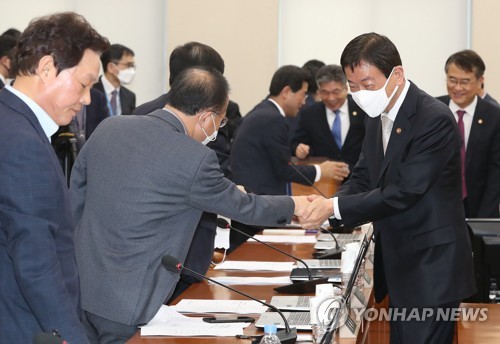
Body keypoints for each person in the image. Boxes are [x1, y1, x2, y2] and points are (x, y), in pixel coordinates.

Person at [70, 66, 317, 343]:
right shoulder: (195, 158)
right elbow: (245, 207)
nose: (217, 130)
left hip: (81, 288)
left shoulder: (109, 127)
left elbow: (75, 198)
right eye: (220, 122)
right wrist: (295, 205)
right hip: (130, 303)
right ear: (207, 117)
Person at [301, 33, 475, 344]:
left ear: (397, 74)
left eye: (367, 85)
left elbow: (405, 191)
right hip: (400, 262)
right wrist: (330, 204)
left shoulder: (432, 118)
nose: (360, 94)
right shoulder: (375, 116)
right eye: (353, 87)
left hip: (430, 265)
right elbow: (365, 177)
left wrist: (334, 208)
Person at [0, 12, 109, 343]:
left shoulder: (11, 121)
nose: (87, 98)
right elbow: (36, 263)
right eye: (83, 84)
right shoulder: (22, 142)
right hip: (24, 325)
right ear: (46, 68)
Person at [132, 41, 237, 301]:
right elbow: (217, 177)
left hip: (148, 250)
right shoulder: (208, 116)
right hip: (187, 248)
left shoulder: (141, 112)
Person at [231, 65, 348, 196]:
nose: (304, 102)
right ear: (286, 92)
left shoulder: (262, 112)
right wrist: (321, 170)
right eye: (303, 94)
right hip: (259, 200)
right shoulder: (274, 119)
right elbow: (283, 169)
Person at [436, 50, 500, 218]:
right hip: (436, 209)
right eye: (452, 80)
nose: (457, 88)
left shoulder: (494, 117)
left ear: (480, 81)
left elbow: (496, 175)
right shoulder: (432, 111)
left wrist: (483, 221)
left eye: (465, 82)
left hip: (479, 209)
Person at [291, 64, 366, 175]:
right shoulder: (309, 114)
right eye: (325, 92)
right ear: (319, 91)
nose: (331, 98)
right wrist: (298, 148)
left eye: (336, 92)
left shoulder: (362, 110)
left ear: (346, 89)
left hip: (359, 179)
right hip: (325, 181)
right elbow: (295, 143)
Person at [93, 43, 136, 116]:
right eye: (128, 65)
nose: (131, 70)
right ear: (111, 67)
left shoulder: (130, 96)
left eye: (132, 66)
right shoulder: (91, 92)